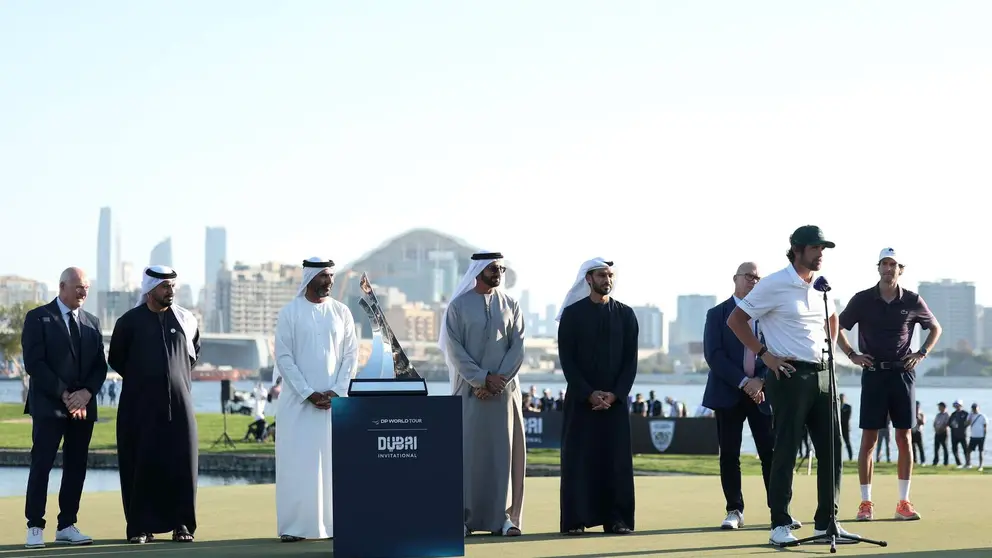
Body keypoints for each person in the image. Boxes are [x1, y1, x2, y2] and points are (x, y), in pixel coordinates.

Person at [726, 225, 861, 547]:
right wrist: (765, 356)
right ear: (797, 249)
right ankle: (780, 524)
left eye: (823, 249)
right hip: (788, 377)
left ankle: (827, 523)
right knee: (785, 448)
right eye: (815, 248)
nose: (820, 254)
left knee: (832, 450)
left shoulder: (820, 286)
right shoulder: (774, 284)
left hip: (824, 374)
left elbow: (832, 320)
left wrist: (831, 351)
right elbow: (736, 320)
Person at [836, 247, 941, 522]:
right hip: (873, 374)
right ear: (878, 267)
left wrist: (922, 353)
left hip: (903, 375)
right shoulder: (862, 299)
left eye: (893, 264)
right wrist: (851, 355)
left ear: (900, 269)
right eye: (884, 263)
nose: (888, 268)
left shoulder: (913, 300)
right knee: (869, 439)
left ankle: (903, 503)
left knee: (904, 438)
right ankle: (865, 503)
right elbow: (834, 327)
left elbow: (935, 328)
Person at [108, 265, 201, 544]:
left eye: (172, 286)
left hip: (181, 408)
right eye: (164, 286)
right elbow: (116, 359)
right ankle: (139, 526)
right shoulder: (128, 322)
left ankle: (182, 524)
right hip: (139, 409)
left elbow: (193, 356)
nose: (170, 291)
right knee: (140, 465)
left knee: (182, 463)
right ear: (150, 290)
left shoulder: (186, 320)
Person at [438, 251, 526, 537]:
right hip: (470, 392)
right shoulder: (458, 307)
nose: (497, 272)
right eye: (492, 268)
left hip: (504, 393)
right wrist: (481, 379)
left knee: (504, 456)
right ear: (478, 271)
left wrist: (497, 382)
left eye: (500, 268)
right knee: (468, 456)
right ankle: (463, 519)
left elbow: (518, 346)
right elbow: (455, 350)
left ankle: (505, 519)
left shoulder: (511, 304)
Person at [273, 258, 359, 542]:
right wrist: (308, 393)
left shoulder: (342, 312)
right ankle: (294, 528)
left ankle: (334, 526)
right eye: (324, 276)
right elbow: (283, 358)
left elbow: (351, 356)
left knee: (333, 467)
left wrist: (337, 390)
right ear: (310, 277)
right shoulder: (290, 313)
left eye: (332, 276)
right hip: (298, 405)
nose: (329, 282)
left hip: (335, 405)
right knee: (297, 466)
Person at [21, 267, 107, 549]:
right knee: (42, 464)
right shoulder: (38, 318)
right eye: (79, 287)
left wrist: (85, 394)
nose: (84, 292)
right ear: (62, 286)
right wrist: (66, 394)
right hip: (49, 406)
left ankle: (67, 525)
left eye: (87, 288)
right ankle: (35, 526)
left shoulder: (93, 322)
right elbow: (35, 363)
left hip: (82, 407)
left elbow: (99, 366)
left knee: (76, 466)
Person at [555, 258, 639, 536]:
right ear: (588, 279)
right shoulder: (572, 315)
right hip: (581, 402)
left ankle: (617, 520)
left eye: (610, 275)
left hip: (615, 404)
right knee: (579, 461)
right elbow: (567, 361)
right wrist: (589, 393)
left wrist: (615, 395)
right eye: (602, 275)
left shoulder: (626, 315)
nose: (607, 279)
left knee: (615, 462)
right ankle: (575, 520)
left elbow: (630, 362)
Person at [701, 262, 781, 531]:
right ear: (735, 279)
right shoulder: (717, 314)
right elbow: (714, 356)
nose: (753, 282)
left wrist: (761, 381)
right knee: (729, 455)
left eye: (758, 278)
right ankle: (734, 509)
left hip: (762, 394)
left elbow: (778, 352)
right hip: (728, 392)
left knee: (770, 453)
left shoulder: (770, 315)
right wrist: (745, 381)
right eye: (748, 277)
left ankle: (779, 511)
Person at [966, 403, 986, 471]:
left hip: (981, 436)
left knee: (980, 451)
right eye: (973, 408)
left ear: (978, 408)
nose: (974, 409)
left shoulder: (982, 416)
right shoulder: (970, 415)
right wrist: (970, 418)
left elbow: (985, 426)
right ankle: (969, 464)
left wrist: (984, 436)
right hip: (973, 436)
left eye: (975, 408)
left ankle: (980, 466)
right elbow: (967, 424)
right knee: (969, 450)